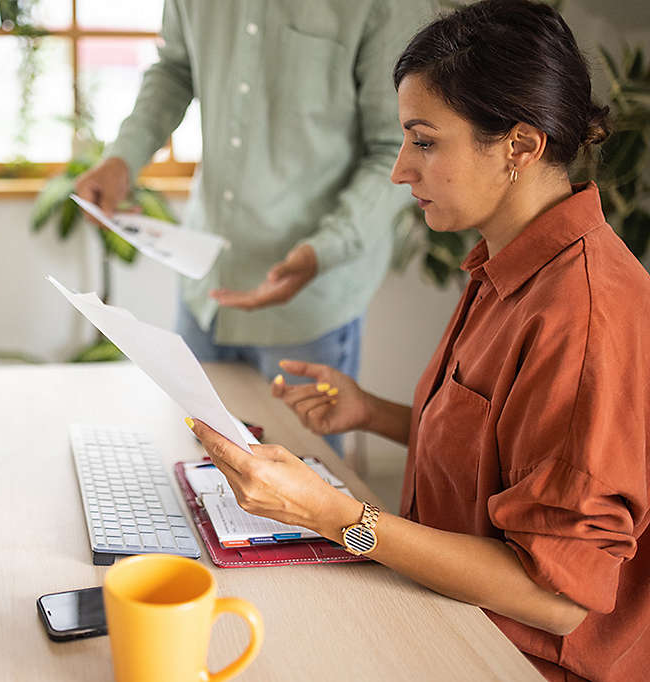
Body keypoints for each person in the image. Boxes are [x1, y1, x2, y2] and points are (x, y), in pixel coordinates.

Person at [186, 1, 649, 680]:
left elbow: (555, 598)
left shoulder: (583, 316)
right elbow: (510, 459)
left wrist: (340, 517)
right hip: (447, 609)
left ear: (519, 147)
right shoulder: (510, 262)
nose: (401, 170)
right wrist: (371, 413)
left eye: (425, 142)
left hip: (514, 658)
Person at [76, 1, 432, 455]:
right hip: (206, 288)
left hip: (310, 302)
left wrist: (326, 247)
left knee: (308, 496)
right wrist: (122, 159)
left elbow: (396, 145)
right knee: (193, 473)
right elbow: (175, 69)